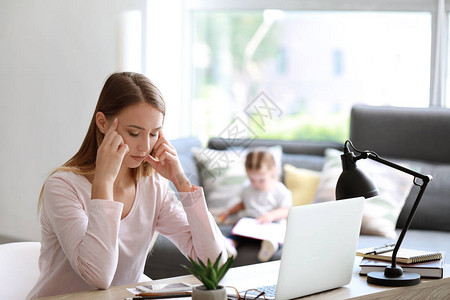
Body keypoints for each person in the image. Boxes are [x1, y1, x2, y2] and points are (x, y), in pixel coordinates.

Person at [27, 72, 227, 299]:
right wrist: (103, 183)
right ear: (102, 123)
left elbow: (213, 264)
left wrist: (181, 182)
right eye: (134, 133)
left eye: (153, 134)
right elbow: (98, 276)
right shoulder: (62, 187)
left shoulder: (153, 187)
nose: (144, 147)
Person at [219, 149, 292, 262]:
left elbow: (286, 210)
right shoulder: (247, 188)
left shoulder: (280, 190)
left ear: (272, 171)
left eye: (261, 180)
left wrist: (271, 215)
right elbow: (242, 204)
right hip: (251, 224)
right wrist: (229, 212)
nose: (256, 184)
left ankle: (270, 247)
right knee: (236, 233)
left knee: (279, 237)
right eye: (252, 179)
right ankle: (230, 247)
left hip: (270, 225)